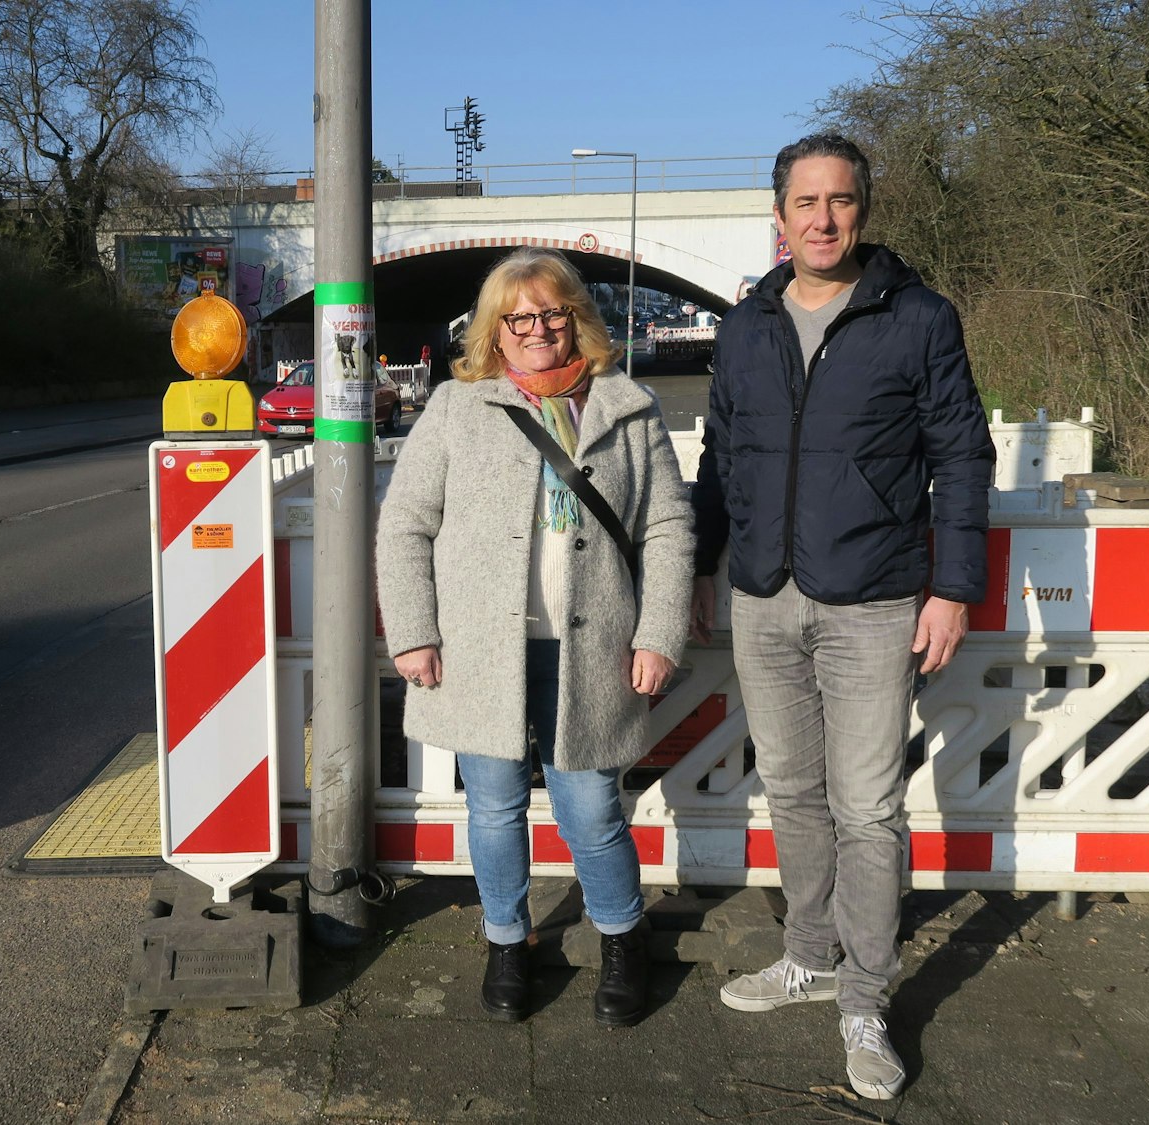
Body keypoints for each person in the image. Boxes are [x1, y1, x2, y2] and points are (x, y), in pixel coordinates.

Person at [688, 134, 994, 1098]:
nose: (823, 219)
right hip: (762, 594)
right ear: (778, 215)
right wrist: (699, 564)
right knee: (791, 791)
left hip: (873, 598)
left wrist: (954, 587)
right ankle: (808, 954)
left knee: (867, 807)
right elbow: (722, 456)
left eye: (841, 201)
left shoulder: (918, 317)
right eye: (806, 202)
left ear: (864, 208)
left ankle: (865, 996)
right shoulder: (746, 325)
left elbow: (962, 457)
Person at [376, 247, 695, 1027]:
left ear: (577, 318)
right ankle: (507, 941)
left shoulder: (627, 408)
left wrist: (659, 632)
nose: (537, 329)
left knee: (592, 811)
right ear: (494, 330)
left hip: (592, 648)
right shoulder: (456, 408)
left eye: (552, 313)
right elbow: (406, 522)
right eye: (518, 318)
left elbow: (667, 526)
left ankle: (622, 937)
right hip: (482, 649)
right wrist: (413, 631)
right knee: (494, 809)